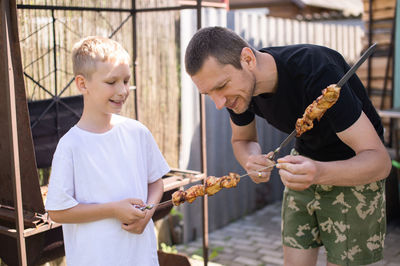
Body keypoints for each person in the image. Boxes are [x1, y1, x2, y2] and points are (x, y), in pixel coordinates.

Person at [184, 26, 391, 266]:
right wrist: (251, 159)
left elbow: (380, 162)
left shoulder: (317, 70)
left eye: (221, 87)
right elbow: (243, 140)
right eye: (208, 93)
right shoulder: (239, 93)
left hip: (354, 171)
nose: (219, 103)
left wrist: (320, 172)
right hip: (304, 165)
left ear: (248, 59)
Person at [45, 36, 169, 266]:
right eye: (111, 82)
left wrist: (149, 211)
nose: (122, 90)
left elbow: (156, 182)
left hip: (140, 257)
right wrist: (113, 210)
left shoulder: (138, 132)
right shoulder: (71, 145)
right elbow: (57, 211)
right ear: (82, 84)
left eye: (126, 80)